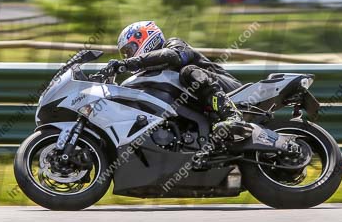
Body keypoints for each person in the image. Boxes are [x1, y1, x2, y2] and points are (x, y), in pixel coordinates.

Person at [108, 20, 253, 143]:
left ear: (145, 39)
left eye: (129, 50)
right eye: (125, 54)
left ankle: (233, 116)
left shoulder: (174, 44)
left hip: (233, 90)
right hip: (203, 106)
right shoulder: (150, 72)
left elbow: (173, 56)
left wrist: (128, 63)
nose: (128, 56)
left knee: (188, 72)